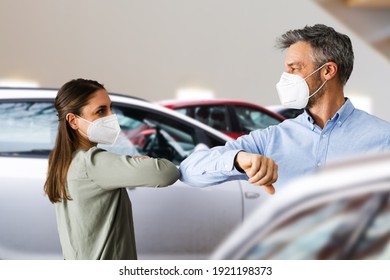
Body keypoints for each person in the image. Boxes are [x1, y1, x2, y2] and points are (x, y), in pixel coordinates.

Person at [180, 24, 390, 194]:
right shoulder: (272, 139)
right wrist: (238, 159)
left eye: (294, 68)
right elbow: (189, 171)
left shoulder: (383, 139)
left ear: (327, 71)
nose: (286, 79)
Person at [44, 78, 180, 260]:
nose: (111, 117)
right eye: (101, 111)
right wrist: (136, 162)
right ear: (73, 121)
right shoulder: (92, 162)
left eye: (110, 108)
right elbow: (167, 173)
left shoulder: (63, 161)